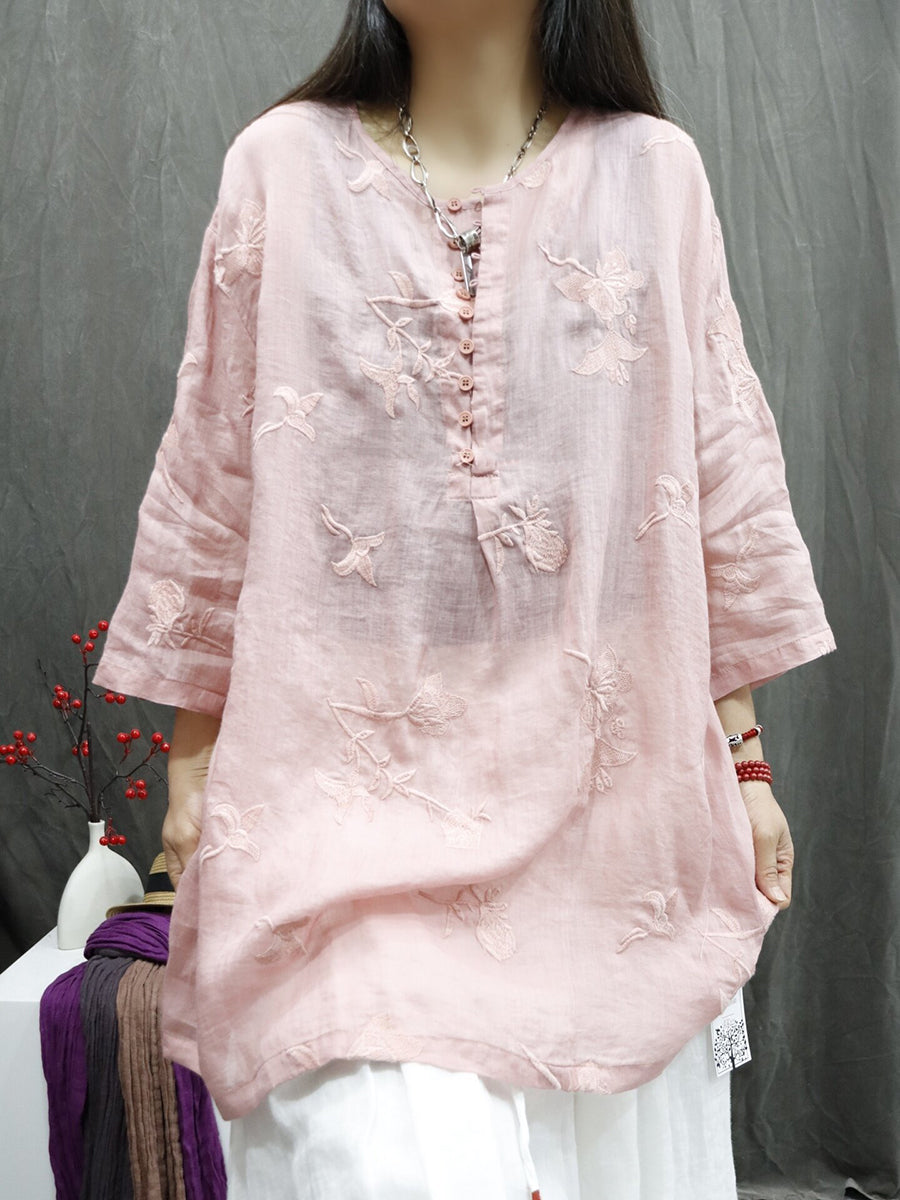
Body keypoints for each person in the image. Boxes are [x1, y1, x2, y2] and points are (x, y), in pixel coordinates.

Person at [92, 0, 837, 1195]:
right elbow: (214, 474)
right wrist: (193, 767)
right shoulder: (280, 165)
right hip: (333, 829)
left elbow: (711, 483)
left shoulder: (655, 174)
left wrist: (745, 767)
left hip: (612, 827)